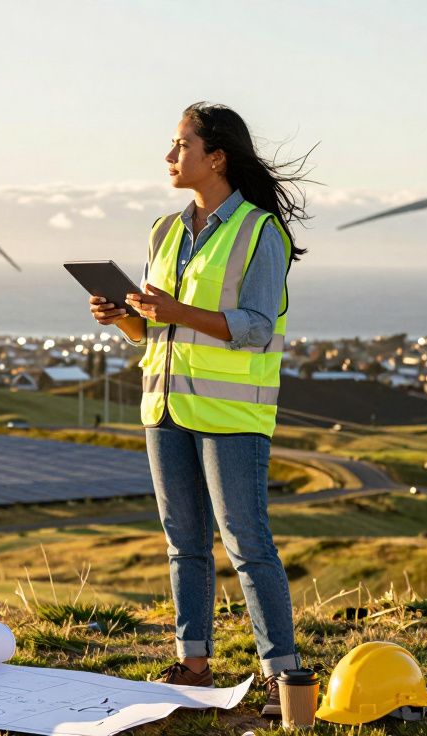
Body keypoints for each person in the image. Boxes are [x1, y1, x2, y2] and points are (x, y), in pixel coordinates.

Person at [88, 102, 310, 718]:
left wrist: (172, 312)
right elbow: (154, 330)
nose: (169, 157)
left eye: (181, 145)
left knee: (246, 542)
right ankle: (192, 663)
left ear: (216, 157)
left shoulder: (261, 231)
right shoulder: (163, 230)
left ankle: (282, 675)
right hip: (163, 406)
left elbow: (259, 328)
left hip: (232, 417)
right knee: (183, 541)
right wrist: (125, 319)